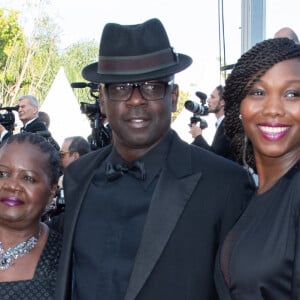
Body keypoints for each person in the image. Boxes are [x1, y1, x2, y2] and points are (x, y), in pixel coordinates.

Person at [54, 18, 254, 300]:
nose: (136, 100)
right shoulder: (78, 177)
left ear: (172, 97)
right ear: (102, 100)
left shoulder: (225, 184)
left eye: (151, 86)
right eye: (121, 88)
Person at [214, 38, 300, 299]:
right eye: (258, 92)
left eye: (292, 94)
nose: (273, 109)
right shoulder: (252, 195)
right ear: (238, 106)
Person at [0, 132, 62, 299]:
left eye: (28, 178)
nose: (12, 185)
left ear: (51, 192)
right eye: (3, 174)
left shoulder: (65, 257)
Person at [189, 85, 235, 160]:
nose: (208, 100)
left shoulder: (228, 125)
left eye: (212, 97)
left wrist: (198, 136)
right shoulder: (224, 123)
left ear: (222, 102)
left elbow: (214, 158)